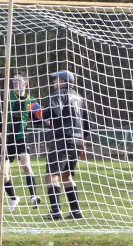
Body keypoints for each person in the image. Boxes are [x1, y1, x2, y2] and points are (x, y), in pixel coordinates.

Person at [0, 71, 48, 211]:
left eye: (18, 80)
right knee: (3, 174)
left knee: (26, 165)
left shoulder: (31, 102)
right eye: (13, 80)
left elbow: (41, 117)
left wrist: (47, 120)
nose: (15, 82)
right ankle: (14, 198)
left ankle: (34, 197)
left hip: (21, 138)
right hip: (5, 139)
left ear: (25, 83)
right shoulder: (6, 96)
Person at [41, 70, 90, 220]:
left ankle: (55, 211)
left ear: (62, 81)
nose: (53, 83)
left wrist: (38, 113)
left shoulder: (58, 94)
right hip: (77, 141)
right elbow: (86, 124)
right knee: (66, 176)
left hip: (62, 139)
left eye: (55, 80)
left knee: (51, 176)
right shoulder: (80, 97)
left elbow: (54, 112)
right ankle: (76, 211)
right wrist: (83, 143)